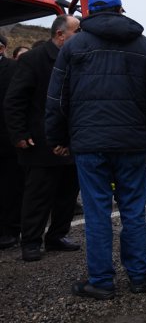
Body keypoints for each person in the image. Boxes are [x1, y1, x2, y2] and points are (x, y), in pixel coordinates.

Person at [45, 0, 146, 299]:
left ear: (92, 12)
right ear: (119, 9)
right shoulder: (143, 47)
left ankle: (101, 281)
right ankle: (139, 275)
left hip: (89, 144)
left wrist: (58, 139)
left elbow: (58, 99)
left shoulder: (74, 46)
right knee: (133, 209)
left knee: (98, 212)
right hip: (131, 143)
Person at [4, 15, 81, 262]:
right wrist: (19, 134)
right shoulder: (33, 60)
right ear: (60, 35)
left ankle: (57, 236)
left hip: (71, 141)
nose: (81, 36)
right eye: (76, 32)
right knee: (38, 195)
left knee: (67, 195)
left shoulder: (77, 59)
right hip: (40, 142)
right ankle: (31, 242)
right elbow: (15, 100)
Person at [0, 34, 22, 249]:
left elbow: (17, 103)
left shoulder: (13, 69)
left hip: (6, 140)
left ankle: (10, 230)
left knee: (8, 188)